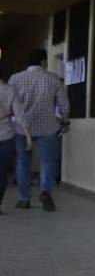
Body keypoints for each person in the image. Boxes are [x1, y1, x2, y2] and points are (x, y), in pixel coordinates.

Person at [9, 48, 69, 212]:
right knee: (48, 162)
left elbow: (10, 104)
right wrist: (63, 120)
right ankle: (45, 192)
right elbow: (64, 105)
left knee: (23, 162)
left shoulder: (15, 78)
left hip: (22, 128)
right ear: (43, 61)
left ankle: (24, 199)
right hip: (48, 128)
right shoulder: (54, 79)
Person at [0, 70, 33, 215]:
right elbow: (20, 114)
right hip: (6, 136)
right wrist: (28, 136)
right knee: (2, 174)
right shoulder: (10, 90)